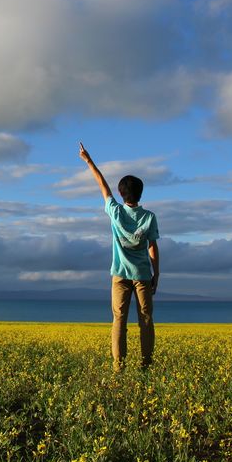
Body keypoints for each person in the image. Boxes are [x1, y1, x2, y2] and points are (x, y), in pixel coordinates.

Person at [78, 142, 160, 370]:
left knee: (119, 321)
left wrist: (88, 161)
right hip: (143, 274)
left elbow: (102, 186)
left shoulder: (114, 211)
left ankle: (118, 367)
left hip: (120, 275)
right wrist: (157, 274)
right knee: (146, 320)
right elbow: (153, 247)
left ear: (122, 194)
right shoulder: (149, 217)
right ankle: (146, 365)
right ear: (141, 193)